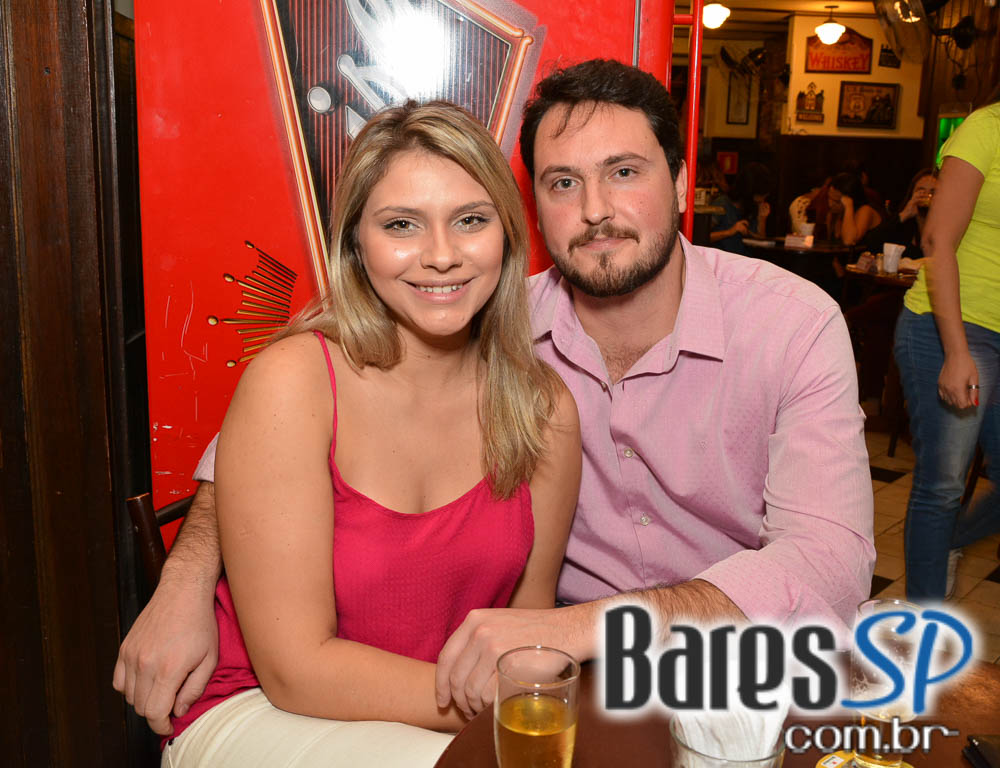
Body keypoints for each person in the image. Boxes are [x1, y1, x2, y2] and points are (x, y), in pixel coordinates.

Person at [116, 60, 874, 731]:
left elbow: (833, 560)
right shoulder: (475, 317)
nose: (596, 209)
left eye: (624, 172)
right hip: (558, 677)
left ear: (679, 183)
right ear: (533, 208)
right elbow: (261, 441)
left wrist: (593, 628)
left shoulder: (790, 324)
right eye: (563, 182)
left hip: (721, 658)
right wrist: (184, 579)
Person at [118, 100, 582, 767]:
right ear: (356, 246)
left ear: (507, 236)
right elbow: (296, 671)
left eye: (471, 221)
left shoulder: (543, 409)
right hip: (264, 708)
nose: (442, 255)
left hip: (448, 721)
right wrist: (506, 704)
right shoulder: (295, 381)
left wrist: (522, 701)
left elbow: (522, 633)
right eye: (401, 225)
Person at [894, 91, 1000, 601]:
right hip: (955, 328)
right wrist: (956, 351)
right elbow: (937, 239)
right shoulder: (986, 128)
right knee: (942, 486)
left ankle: (948, 542)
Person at [862, 167, 937, 263]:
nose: (926, 195)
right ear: (912, 194)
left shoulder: (947, 225)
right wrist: (903, 215)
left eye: (933, 192)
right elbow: (872, 243)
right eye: (921, 191)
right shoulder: (903, 223)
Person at [709, 161, 774, 255]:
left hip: (745, 260)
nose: (763, 199)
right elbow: (702, 237)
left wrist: (762, 219)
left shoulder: (754, 206)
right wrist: (730, 232)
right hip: (723, 260)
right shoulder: (722, 204)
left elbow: (760, 241)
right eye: (760, 194)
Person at [827, 171, 883, 246]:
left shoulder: (865, 210)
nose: (830, 204)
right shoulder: (837, 213)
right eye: (829, 198)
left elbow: (848, 241)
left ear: (848, 200)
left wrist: (848, 207)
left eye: (835, 201)